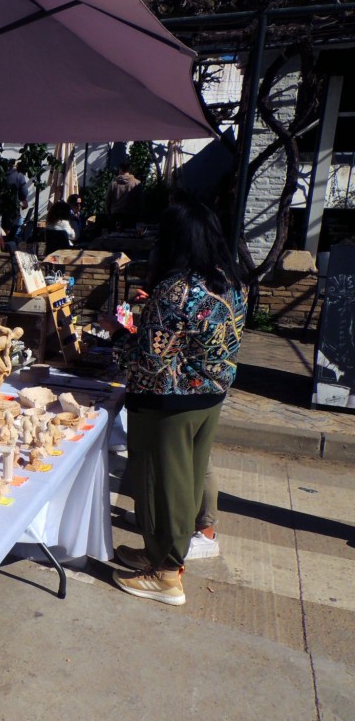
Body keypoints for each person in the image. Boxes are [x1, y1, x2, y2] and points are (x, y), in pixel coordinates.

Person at [97, 198, 246, 606]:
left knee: (161, 484)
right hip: (210, 396)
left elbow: (147, 358)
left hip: (168, 400)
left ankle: (165, 575)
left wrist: (116, 334)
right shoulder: (228, 281)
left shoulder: (175, 289)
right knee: (187, 480)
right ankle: (158, 552)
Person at [105, 162, 143, 228]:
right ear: (129, 170)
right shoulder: (136, 183)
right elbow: (140, 201)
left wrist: (108, 213)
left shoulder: (113, 184)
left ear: (120, 169)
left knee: (114, 235)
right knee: (129, 235)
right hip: (131, 214)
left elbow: (108, 200)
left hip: (116, 213)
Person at [3, 161, 30, 245]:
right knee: (15, 227)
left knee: (5, 227)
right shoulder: (19, 175)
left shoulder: (1, 174)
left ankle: (7, 244)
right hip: (14, 206)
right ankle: (11, 246)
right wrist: (22, 200)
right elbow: (24, 193)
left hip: (1, 207)